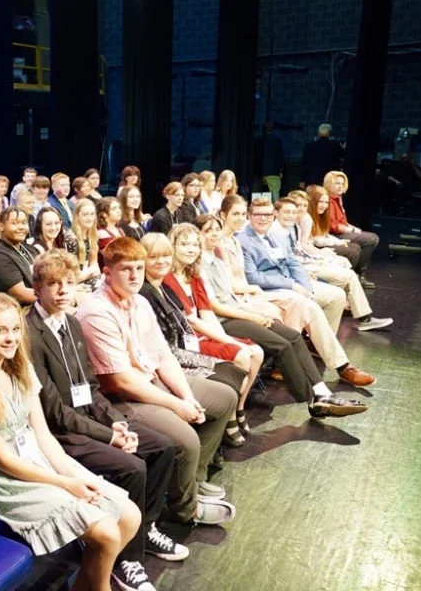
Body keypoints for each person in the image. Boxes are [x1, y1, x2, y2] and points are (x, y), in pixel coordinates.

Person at [0, 292, 142, 591]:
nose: (10, 338)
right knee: (107, 535)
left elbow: (44, 437)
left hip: (39, 460)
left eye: (14, 329)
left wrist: (72, 475)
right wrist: (66, 485)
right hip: (4, 482)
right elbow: (4, 461)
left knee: (129, 516)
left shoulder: (20, 370)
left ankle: (85, 585)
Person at [28, 251, 186, 589]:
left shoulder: (70, 323)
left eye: (69, 283)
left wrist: (118, 424)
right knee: (132, 467)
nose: (62, 291)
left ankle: (145, 530)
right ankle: (126, 558)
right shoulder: (29, 333)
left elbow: (92, 388)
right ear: (36, 288)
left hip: (88, 421)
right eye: (53, 284)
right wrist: (107, 435)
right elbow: (54, 411)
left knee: (162, 447)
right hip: (58, 436)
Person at [77, 237, 239, 528]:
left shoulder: (139, 302)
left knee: (224, 397)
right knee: (186, 439)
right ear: (107, 273)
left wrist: (187, 396)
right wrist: (177, 405)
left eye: (139, 268)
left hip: (149, 382)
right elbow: (122, 381)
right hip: (120, 399)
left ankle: (193, 481)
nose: (135, 275)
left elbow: (163, 356)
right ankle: (185, 510)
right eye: (126, 269)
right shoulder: (95, 312)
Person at [195, 214, 368, 419]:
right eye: (208, 230)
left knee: (293, 337)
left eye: (216, 229)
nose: (214, 234)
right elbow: (214, 306)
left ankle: (322, 392)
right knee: (282, 345)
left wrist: (254, 306)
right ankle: (314, 398)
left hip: (239, 310)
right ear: (197, 234)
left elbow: (232, 291)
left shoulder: (216, 261)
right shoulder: (199, 265)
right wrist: (252, 316)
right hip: (224, 321)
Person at [237, 197, 377, 388]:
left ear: (273, 215)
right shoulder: (243, 240)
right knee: (309, 307)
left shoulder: (276, 235)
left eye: (268, 214)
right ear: (249, 216)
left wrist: (306, 286)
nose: (264, 219)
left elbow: (293, 263)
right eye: (258, 215)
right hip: (267, 290)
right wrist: (292, 285)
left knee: (336, 296)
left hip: (290, 284)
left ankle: (315, 345)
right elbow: (253, 278)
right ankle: (341, 365)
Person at [148, 229, 263, 445]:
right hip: (188, 339)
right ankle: (228, 420)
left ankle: (239, 408)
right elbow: (190, 322)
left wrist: (225, 338)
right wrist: (231, 342)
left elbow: (207, 313)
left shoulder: (193, 276)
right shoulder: (165, 281)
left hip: (198, 333)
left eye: (195, 245)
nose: (191, 249)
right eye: (184, 244)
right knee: (241, 356)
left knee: (256, 352)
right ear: (174, 247)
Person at [272, 198, 392, 332]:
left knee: (348, 273)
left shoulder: (291, 227)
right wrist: (310, 266)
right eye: (287, 212)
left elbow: (298, 251)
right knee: (342, 276)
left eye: (293, 212)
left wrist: (317, 258)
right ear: (276, 213)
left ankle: (362, 317)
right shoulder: (274, 232)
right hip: (300, 268)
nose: (291, 215)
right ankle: (330, 319)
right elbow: (288, 260)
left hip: (303, 263)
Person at [324, 170, 380, 286]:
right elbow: (334, 226)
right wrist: (353, 230)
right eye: (337, 183)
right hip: (333, 234)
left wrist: (354, 228)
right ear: (329, 184)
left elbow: (343, 222)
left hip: (340, 231)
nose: (340, 186)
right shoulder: (327, 200)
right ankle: (358, 274)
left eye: (342, 184)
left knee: (371, 237)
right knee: (371, 239)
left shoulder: (337, 199)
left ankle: (358, 274)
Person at [0, 207, 38, 308]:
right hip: (22, 310)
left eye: (24, 223)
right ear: (1, 226)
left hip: (41, 302)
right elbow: (21, 294)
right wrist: (51, 297)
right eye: (14, 223)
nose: (21, 227)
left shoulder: (30, 249)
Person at [70, 198, 101, 288]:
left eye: (92, 214)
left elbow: (94, 264)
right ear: (77, 216)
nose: (90, 218)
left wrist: (97, 276)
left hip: (88, 276)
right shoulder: (71, 239)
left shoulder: (92, 234)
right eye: (85, 215)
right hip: (76, 283)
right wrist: (91, 273)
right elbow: (74, 277)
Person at [254, 122, 285, 201]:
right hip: (273, 172)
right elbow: (280, 157)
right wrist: (281, 170)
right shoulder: (277, 140)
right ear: (272, 130)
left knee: (257, 193)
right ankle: (276, 209)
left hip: (259, 172)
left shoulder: (257, 140)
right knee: (275, 192)